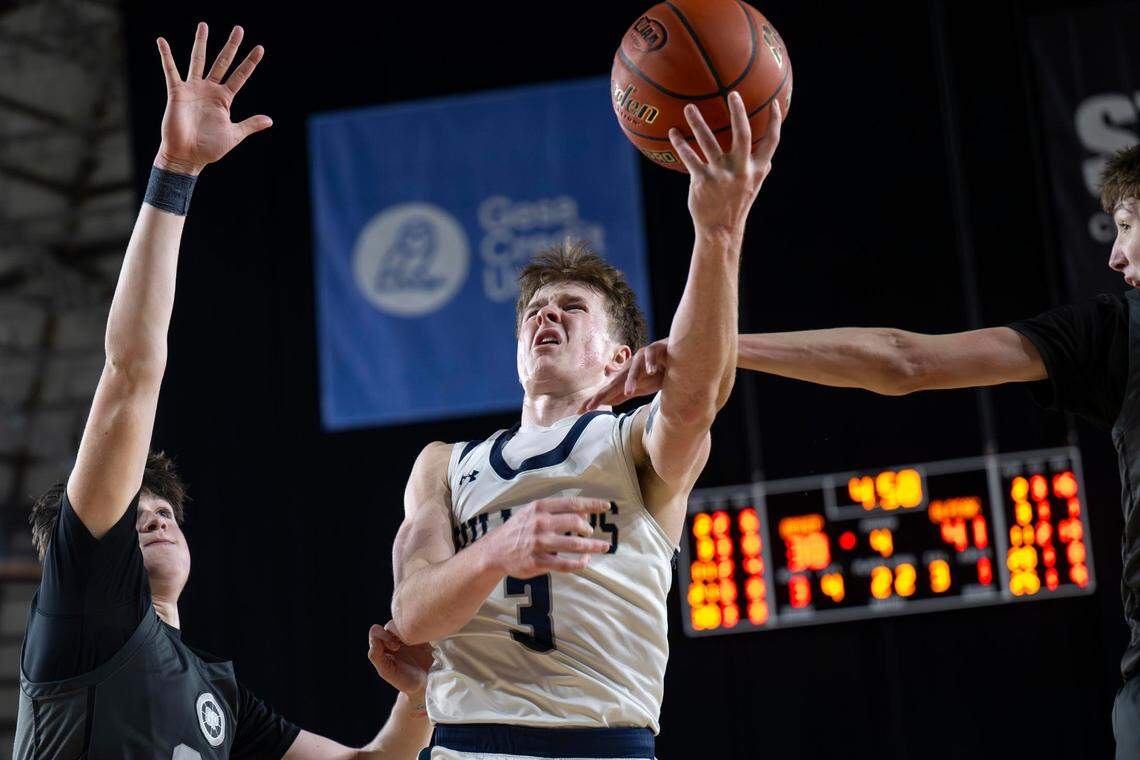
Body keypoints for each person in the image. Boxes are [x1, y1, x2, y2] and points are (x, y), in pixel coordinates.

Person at [584, 144, 1140, 759]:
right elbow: (903, 360)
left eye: (1125, 227)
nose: (1115, 256)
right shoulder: (1112, 332)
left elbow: (905, 363)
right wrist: (720, 343)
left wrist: (721, 344)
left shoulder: (1117, 326)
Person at [14, 23, 431, 759]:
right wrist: (174, 173)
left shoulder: (219, 696)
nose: (154, 519)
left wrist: (422, 699)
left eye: (162, 508)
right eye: (130, 514)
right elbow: (131, 374)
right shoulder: (88, 605)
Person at [389, 91, 783, 759]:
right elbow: (414, 613)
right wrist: (496, 551)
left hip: (598, 743)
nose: (546, 317)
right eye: (535, 310)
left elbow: (696, 395)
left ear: (619, 358)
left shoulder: (633, 443)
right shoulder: (443, 465)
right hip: (465, 743)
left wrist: (717, 233)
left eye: (572, 308)